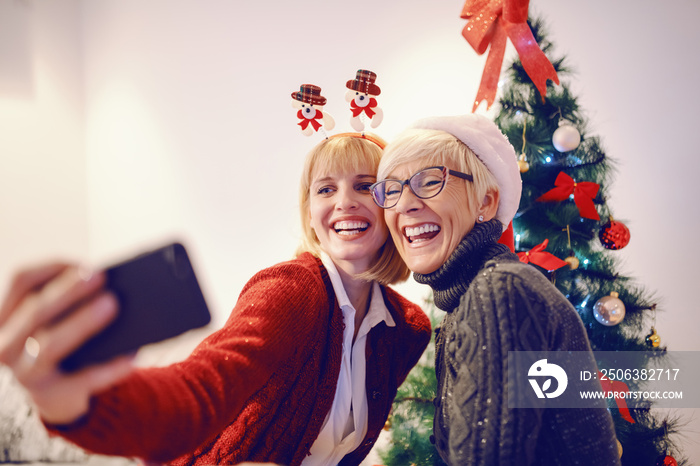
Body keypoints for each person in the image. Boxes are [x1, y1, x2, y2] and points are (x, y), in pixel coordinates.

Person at [0, 133, 431, 466]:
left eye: (364, 186)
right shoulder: (294, 289)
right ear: (310, 216)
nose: (344, 203)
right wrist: (74, 401)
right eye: (325, 189)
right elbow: (196, 394)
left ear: (390, 204)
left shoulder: (407, 328)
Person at [370, 114, 621, 465]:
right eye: (392, 190)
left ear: (486, 202)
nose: (405, 204)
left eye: (428, 182)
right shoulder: (474, 295)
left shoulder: (499, 290)